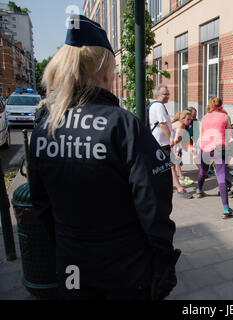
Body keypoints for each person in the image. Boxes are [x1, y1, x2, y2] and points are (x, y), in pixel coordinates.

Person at [28, 15, 178, 300]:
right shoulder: (122, 125)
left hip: (72, 267)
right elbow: (153, 206)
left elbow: (41, 206)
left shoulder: (44, 129)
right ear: (104, 69)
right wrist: (163, 259)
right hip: (125, 270)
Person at [196, 97, 233, 218]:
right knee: (221, 176)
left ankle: (199, 190)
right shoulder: (225, 117)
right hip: (219, 147)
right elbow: (230, 136)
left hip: (204, 147)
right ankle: (226, 208)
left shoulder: (204, 117)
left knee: (203, 171)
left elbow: (201, 134)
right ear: (221, 106)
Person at [149, 84, 193, 199]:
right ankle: (179, 188)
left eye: (168, 94)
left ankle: (177, 187)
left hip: (162, 142)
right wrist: (171, 139)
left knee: (170, 166)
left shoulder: (158, 105)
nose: (168, 96)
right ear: (158, 95)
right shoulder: (158, 106)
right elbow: (162, 124)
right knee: (169, 166)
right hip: (161, 143)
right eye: (165, 94)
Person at [171, 109, 194, 186]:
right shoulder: (180, 125)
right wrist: (176, 151)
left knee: (174, 164)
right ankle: (181, 178)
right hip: (170, 144)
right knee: (175, 162)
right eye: (188, 119)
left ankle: (180, 178)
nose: (190, 121)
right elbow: (176, 139)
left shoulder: (182, 125)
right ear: (182, 118)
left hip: (171, 144)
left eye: (191, 119)